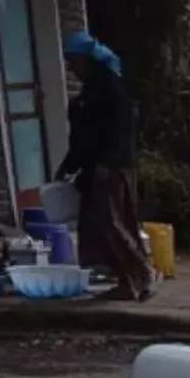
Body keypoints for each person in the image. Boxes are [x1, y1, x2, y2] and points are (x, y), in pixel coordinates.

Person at [56, 31, 156, 300]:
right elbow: (82, 138)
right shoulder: (90, 94)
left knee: (112, 223)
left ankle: (144, 271)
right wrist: (68, 166)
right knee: (97, 228)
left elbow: (121, 131)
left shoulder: (111, 89)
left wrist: (107, 162)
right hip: (94, 169)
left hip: (112, 168)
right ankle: (126, 282)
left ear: (88, 60)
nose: (72, 68)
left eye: (74, 61)